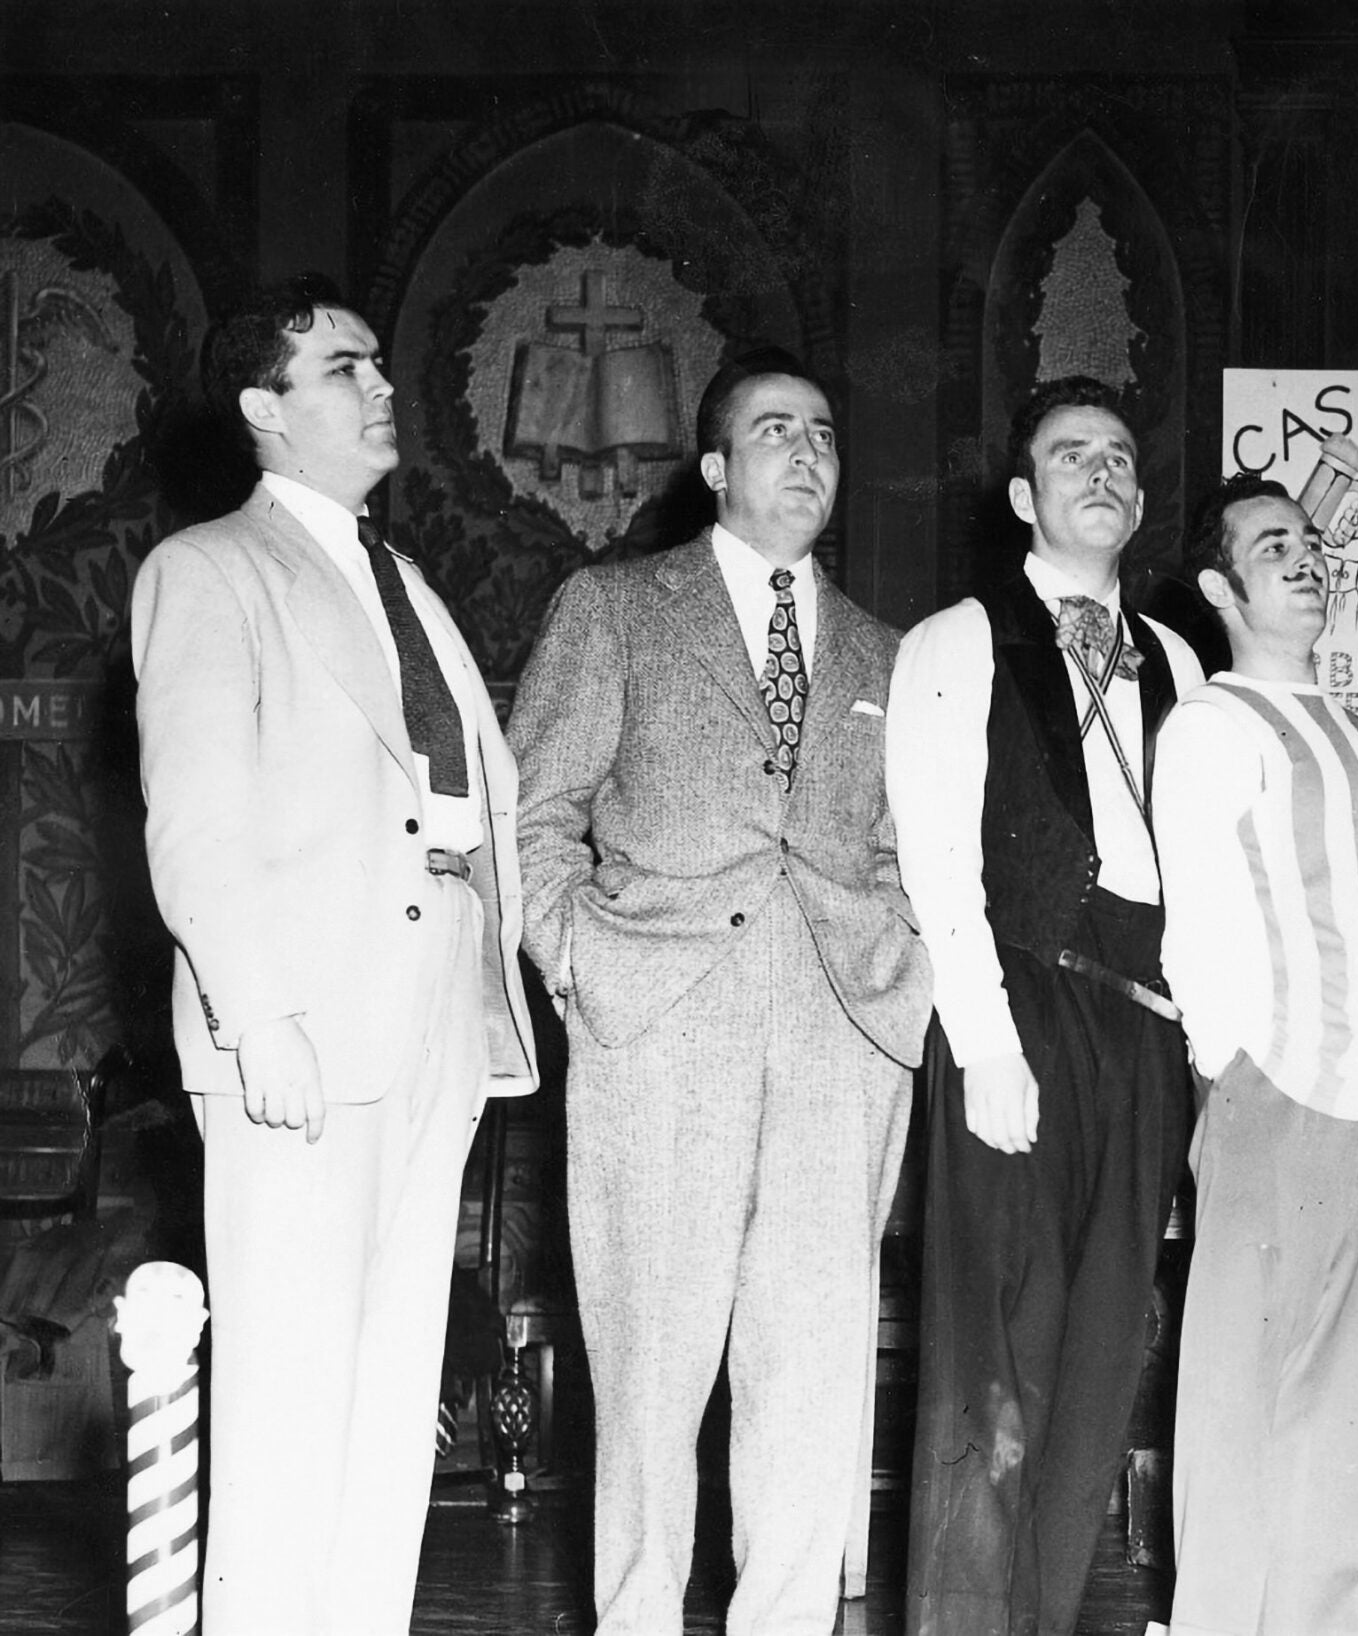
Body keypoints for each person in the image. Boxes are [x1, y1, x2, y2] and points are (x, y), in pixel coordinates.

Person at [131, 274, 538, 1634]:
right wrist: (260, 1019)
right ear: (265, 408)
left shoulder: (401, 580)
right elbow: (196, 822)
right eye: (345, 369)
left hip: (429, 1029)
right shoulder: (207, 569)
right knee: (292, 1400)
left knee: (386, 1407)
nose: (381, 389)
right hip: (300, 1035)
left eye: (376, 367)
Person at [509, 348, 931, 1635]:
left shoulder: (886, 649)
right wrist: (577, 957)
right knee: (647, 1366)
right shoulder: (618, 606)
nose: (805, 453)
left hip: (838, 1035)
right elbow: (533, 813)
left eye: (822, 433)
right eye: (772, 431)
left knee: (809, 1372)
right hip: (660, 1024)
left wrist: (897, 971)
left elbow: (921, 850)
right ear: (712, 469)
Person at [888, 375, 1206, 1636]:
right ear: (1023, 496)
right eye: (1071, 456)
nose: (1102, 475)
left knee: (1099, 1363)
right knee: (992, 1370)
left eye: (1121, 456)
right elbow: (933, 860)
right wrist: (986, 1045)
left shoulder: (1179, 657)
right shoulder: (956, 640)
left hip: (1151, 1022)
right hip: (1017, 1003)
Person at [1148, 475, 1358, 1636]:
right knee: (1242, 1406)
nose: (1306, 558)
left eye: (1311, 541)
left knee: (1352, 1410)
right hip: (1283, 1094)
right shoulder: (1211, 724)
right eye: (1275, 546)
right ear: (1220, 586)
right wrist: (1246, 1077)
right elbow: (1199, 931)